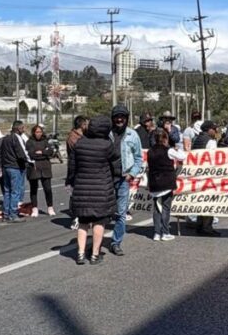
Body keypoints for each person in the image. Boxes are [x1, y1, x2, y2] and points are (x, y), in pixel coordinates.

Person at [65, 115, 120, 265]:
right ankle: (95, 255)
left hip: (82, 187)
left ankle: (80, 254)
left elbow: (72, 166)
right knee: (99, 222)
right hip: (102, 188)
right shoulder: (107, 145)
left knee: (83, 222)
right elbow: (116, 164)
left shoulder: (80, 143)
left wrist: (70, 182)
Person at [109, 104, 143, 256]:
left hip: (123, 179)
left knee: (121, 214)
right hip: (106, 179)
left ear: (127, 118)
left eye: (122, 116)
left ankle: (116, 242)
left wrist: (132, 174)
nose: (119, 119)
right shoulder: (106, 133)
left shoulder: (132, 135)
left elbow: (138, 158)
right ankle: (96, 244)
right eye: (117, 116)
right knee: (102, 213)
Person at [147, 128, 187, 242]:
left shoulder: (150, 151)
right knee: (165, 208)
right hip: (166, 183)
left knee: (156, 210)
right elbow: (182, 157)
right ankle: (165, 232)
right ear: (165, 139)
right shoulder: (168, 150)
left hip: (154, 184)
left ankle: (156, 233)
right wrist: (177, 149)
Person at [192, 120, 221, 236]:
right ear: (209, 130)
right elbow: (213, 158)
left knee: (201, 201)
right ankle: (207, 227)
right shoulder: (211, 142)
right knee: (209, 202)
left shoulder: (196, 140)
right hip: (208, 175)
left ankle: (200, 225)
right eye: (214, 129)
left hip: (197, 174)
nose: (215, 131)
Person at [0, 121, 31, 223]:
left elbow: (1, 153)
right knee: (15, 191)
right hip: (15, 168)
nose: (24, 130)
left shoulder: (5, 138)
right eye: (22, 128)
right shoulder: (17, 138)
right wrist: (29, 161)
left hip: (6, 167)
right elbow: (22, 153)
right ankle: (13, 214)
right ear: (18, 128)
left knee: (7, 191)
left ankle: (6, 214)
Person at [25, 124, 56, 217]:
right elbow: (31, 154)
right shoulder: (29, 142)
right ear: (34, 132)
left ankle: (50, 207)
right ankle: (35, 208)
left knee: (48, 189)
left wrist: (42, 152)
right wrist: (42, 152)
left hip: (45, 167)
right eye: (37, 132)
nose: (39, 134)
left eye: (40, 132)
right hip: (34, 167)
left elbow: (50, 152)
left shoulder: (46, 141)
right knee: (33, 189)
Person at [66, 115, 89, 231]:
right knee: (75, 194)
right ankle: (75, 217)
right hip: (76, 169)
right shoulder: (73, 137)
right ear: (82, 125)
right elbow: (80, 151)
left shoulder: (83, 136)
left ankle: (84, 216)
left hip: (84, 169)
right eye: (86, 124)